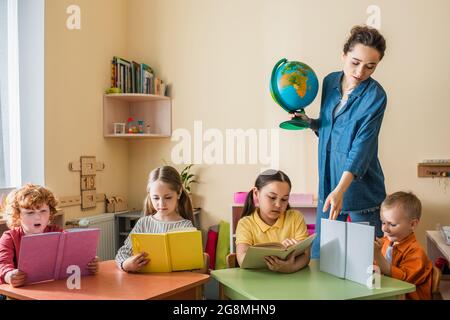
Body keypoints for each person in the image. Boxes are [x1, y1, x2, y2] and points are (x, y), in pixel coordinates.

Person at [295, 25, 388, 258]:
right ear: (344, 55)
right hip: (329, 185)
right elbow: (332, 128)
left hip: (359, 192)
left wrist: (341, 189)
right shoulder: (329, 83)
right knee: (324, 259)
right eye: (355, 62)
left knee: (364, 264)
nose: (360, 72)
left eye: (370, 66)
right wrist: (310, 122)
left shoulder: (376, 96)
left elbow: (361, 147)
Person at [0, 184, 99, 287]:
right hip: (21, 291)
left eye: (43, 211)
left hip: (53, 288)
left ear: (50, 213)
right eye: (30, 213)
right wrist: (9, 275)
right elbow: (2, 264)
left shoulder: (58, 233)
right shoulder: (9, 238)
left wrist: (89, 263)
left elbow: (75, 255)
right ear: (17, 215)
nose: (38, 217)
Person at [115, 166, 195, 272]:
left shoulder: (186, 226)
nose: (161, 204)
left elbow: (192, 264)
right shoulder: (143, 223)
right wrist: (125, 264)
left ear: (179, 193)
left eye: (168, 197)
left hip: (175, 284)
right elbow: (122, 253)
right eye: (156, 198)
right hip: (146, 285)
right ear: (150, 195)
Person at [235, 169, 310, 273]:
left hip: (290, 281)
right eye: (272, 197)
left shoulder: (295, 218)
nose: (278, 205)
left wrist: (290, 268)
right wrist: (276, 254)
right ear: (256, 193)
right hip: (257, 282)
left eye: (284, 199)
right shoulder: (245, 224)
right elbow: (242, 260)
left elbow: (306, 256)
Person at [374, 191, 432, 300]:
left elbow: (401, 280)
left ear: (412, 224)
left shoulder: (417, 253)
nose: (385, 229)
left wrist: (377, 254)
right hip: (387, 292)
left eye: (392, 224)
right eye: (383, 222)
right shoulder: (386, 241)